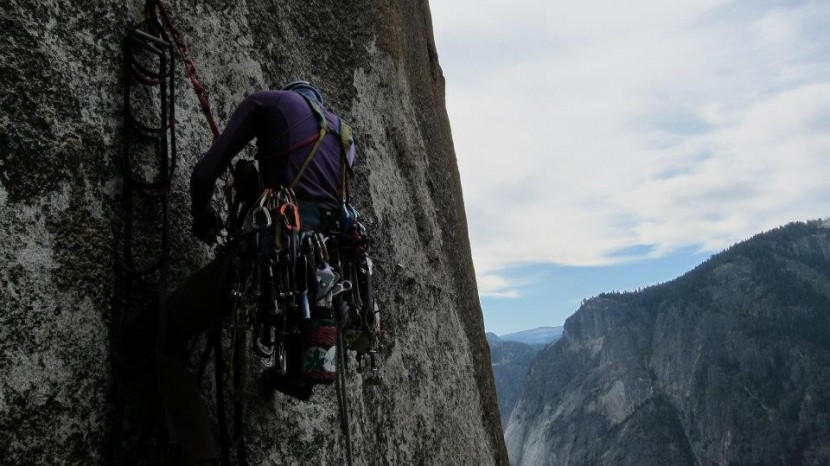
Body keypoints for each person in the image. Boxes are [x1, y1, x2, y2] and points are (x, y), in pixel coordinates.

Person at [124, 81, 356, 465]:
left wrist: (202, 218)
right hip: (319, 274)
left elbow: (203, 176)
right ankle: (295, 368)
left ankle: (199, 456)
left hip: (265, 260)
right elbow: (323, 204)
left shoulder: (268, 103)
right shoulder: (345, 139)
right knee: (297, 313)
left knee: (154, 336)